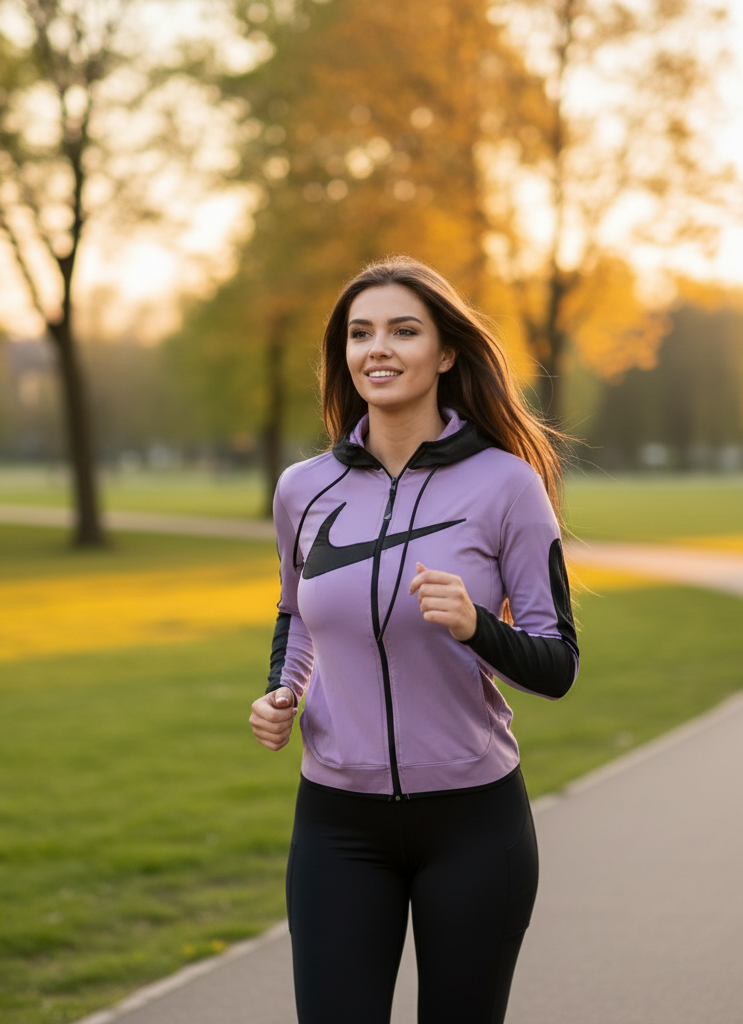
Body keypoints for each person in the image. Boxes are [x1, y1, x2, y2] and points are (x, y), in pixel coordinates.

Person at [249, 256, 578, 1024]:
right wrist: (282, 690)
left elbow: (556, 665)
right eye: (360, 334)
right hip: (337, 824)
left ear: (447, 351)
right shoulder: (305, 488)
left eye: (403, 330)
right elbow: (296, 610)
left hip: (472, 824)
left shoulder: (506, 485)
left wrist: (475, 626)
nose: (378, 348)